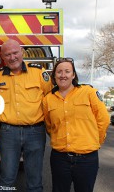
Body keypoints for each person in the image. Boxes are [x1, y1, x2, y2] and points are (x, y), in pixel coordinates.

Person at [0, 39, 52, 191]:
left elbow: (50, 100)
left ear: (22, 52)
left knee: (34, 179)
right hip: (7, 132)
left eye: (15, 53)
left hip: (35, 132)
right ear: (2, 57)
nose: (12, 58)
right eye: (7, 55)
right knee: (7, 177)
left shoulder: (39, 72)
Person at [42, 57, 110, 192]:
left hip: (87, 159)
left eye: (67, 71)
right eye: (59, 72)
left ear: (73, 75)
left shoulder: (88, 92)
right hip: (59, 159)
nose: (63, 75)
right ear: (54, 76)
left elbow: (103, 120)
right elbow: (49, 126)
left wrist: (96, 141)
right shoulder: (47, 99)